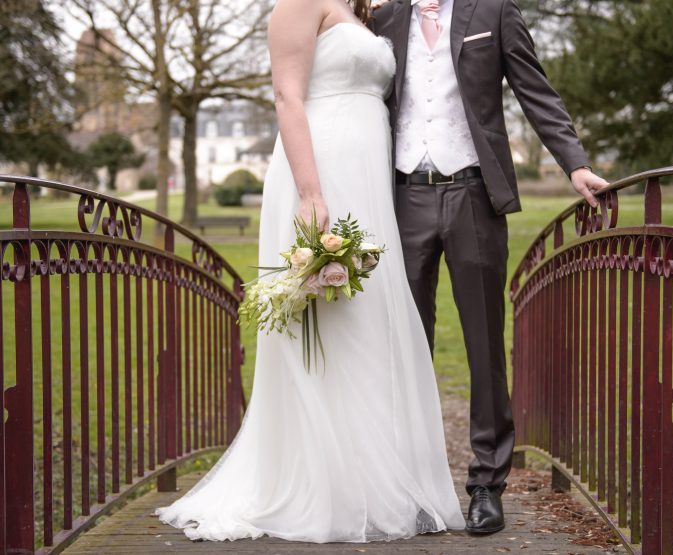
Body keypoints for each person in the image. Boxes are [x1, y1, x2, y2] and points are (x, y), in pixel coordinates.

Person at [153, 0, 466, 542]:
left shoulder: (361, 10)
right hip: (322, 171)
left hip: (369, 177)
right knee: (327, 327)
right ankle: (330, 489)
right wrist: (312, 192)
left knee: (368, 327)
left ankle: (379, 480)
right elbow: (287, 95)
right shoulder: (298, 2)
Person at [368, 0, 609, 534]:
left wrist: (576, 164)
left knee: (483, 345)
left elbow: (535, 91)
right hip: (401, 198)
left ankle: (486, 483)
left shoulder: (495, 12)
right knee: (404, 346)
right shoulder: (383, 20)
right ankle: (407, 482)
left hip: (474, 193)